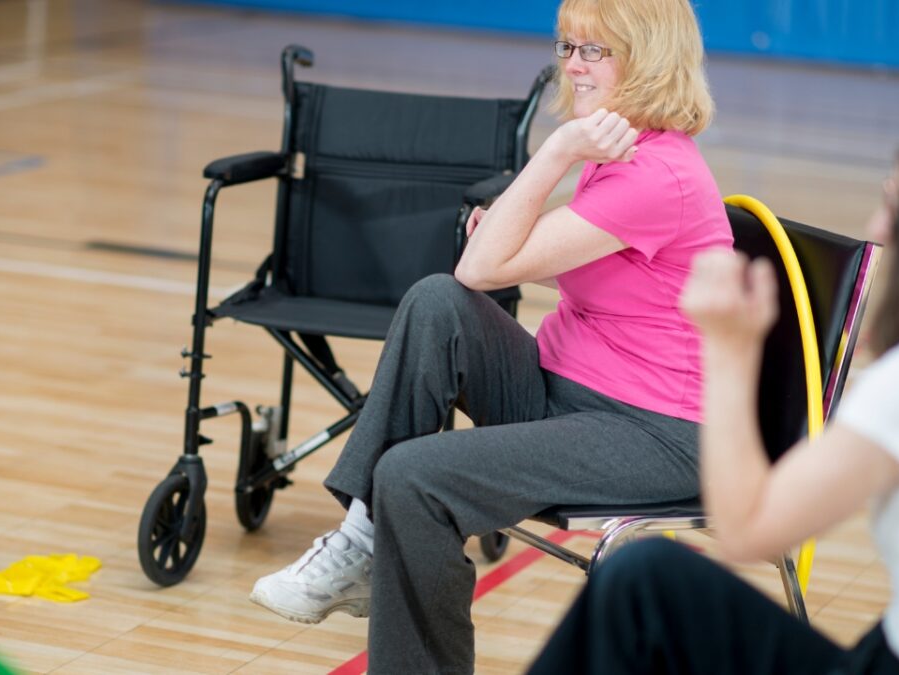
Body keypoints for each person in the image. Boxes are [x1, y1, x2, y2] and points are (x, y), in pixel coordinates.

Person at [248, 0, 732, 671]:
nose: (574, 64)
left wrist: (557, 148)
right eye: (568, 46)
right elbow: (476, 273)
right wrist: (528, 205)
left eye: (596, 50)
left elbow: (487, 262)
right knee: (437, 301)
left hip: (653, 434)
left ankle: (375, 553)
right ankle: (362, 537)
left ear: (646, 56)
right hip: (565, 391)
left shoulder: (657, 174)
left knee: (414, 477)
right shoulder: (622, 149)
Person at [528, 101, 899, 675]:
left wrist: (730, 348)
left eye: (895, 207)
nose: (878, 229)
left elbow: (747, 531)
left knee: (642, 582)